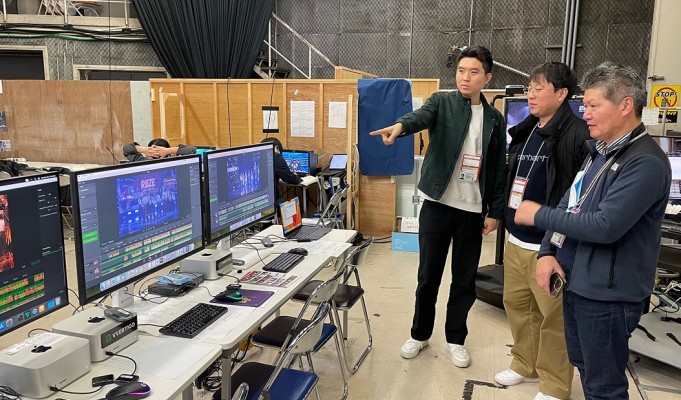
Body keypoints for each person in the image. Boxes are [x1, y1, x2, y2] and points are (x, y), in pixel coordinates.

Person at [514, 62, 671, 399]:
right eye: (585, 105)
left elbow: (604, 226)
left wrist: (538, 214)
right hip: (578, 285)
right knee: (585, 368)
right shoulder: (599, 152)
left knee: (604, 386)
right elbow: (569, 203)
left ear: (625, 105)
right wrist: (548, 252)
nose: (585, 114)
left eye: (594, 105)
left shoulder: (645, 163)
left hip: (608, 298)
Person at [370, 46, 506, 368]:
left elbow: (498, 168)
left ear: (487, 78)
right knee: (428, 276)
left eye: (473, 72)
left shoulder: (494, 119)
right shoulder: (441, 103)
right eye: (461, 70)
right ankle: (419, 334)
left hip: (472, 210)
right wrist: (400, 127)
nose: (465, 77)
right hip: (437, 205)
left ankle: (456, 339)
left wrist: (496, 211)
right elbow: (419, 118)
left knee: (464, 280)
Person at [496, 62, 590, 400]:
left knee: (553, 318)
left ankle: (554, 384)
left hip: (549, 245)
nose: (530, 94)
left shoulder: (578, 134)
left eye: (539, 88)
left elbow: (579, 196)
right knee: (518, 307)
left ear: (561, 94)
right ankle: (524, 364)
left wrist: (558, 243)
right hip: (515, 238)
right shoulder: (527, 130)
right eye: (529, 88)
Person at [260, 137, 302, 203]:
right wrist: (298, 178)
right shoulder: (275, 156)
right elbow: (291, 179)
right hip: (269, 199)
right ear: (277, 147)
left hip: (258, 196)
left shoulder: (259, 154)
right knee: (283, 200)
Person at [123, 138, 196, 162]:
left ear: (168, 156)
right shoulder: (144, 161)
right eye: (152, 154)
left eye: (157, 155)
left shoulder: (173, 162)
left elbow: (193, 151)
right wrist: (144, 150)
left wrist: (167, 151)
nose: (154, 158)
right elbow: (126, 149)